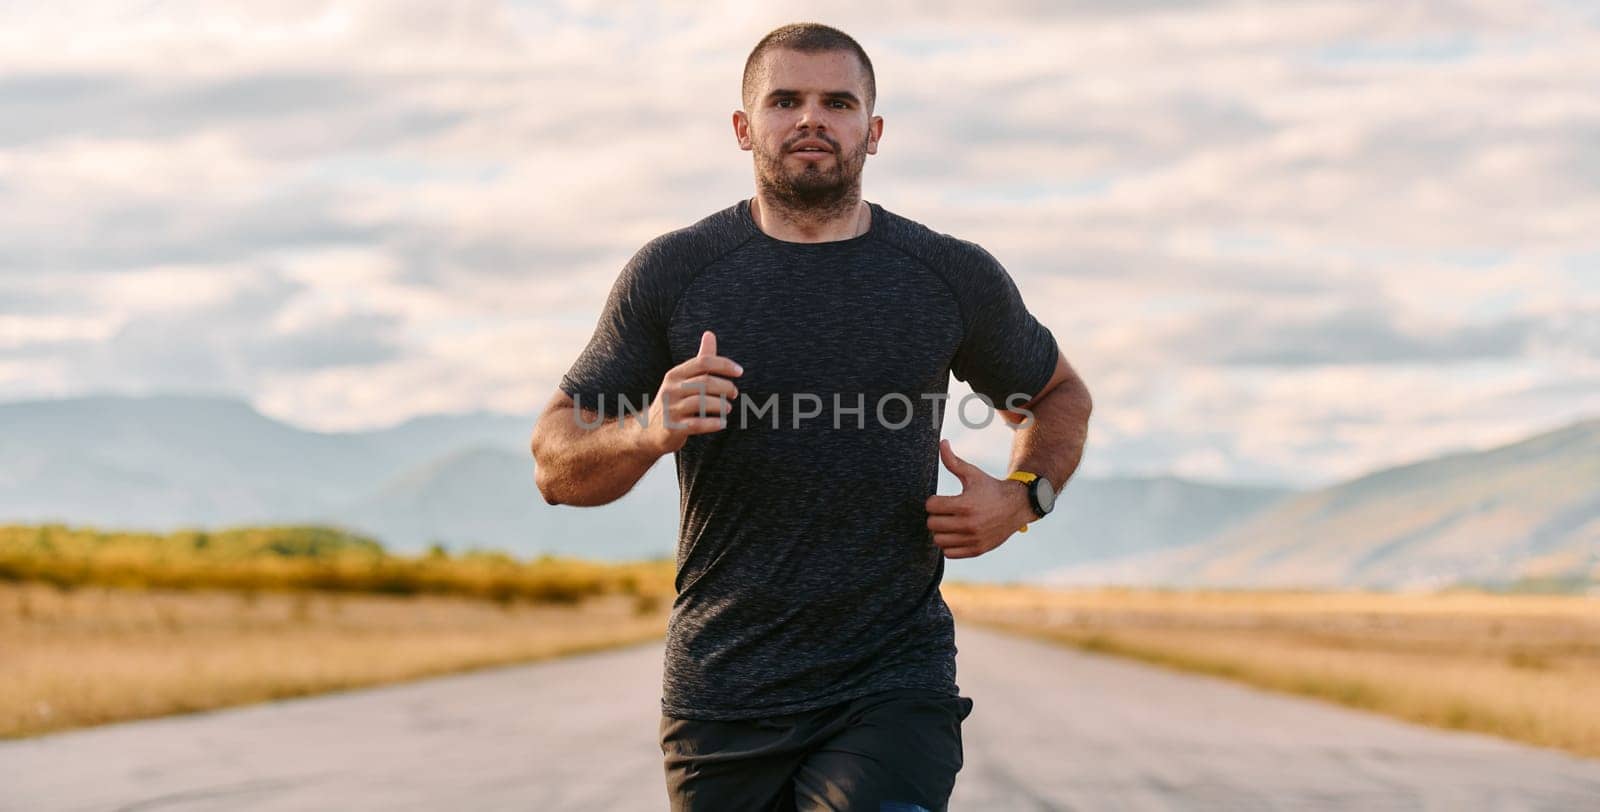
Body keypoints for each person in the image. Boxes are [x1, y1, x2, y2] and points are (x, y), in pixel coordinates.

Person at [530, 22, 1092, 812]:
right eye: (785, 99)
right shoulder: (674, 272)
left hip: (892, 681)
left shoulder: (947, 275)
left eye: (838, 102)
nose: (811, 119)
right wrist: (647, 430)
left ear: (874, 130)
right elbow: (555, 465)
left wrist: (1026, 495)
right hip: (722, 689)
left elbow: (1060, 395)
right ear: (742, 127)